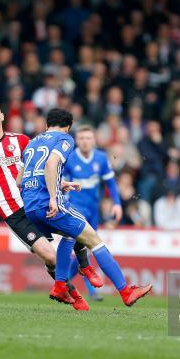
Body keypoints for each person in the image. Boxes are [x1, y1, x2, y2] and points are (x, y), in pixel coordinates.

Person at [0, 95, 92, 311]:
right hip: (13, 212)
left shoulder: (23, 141)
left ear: (2, 116)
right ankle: (71, 292)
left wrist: (60, 184)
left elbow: (40, 170)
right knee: (50, 256)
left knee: (75, 230)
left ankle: (84, 265)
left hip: (35, 202)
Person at [19, 108, 152, 307]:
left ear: (47, 125)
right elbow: (51, 165)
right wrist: (54, 198)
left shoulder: (31, 144)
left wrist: (60, 184)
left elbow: (20, 180)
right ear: (68, 128)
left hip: (30, 207)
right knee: (94, 241)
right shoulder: (65, 140)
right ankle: (125, 291)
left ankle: (61, 284)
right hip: (49, 203)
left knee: (70, 235)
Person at [63, 125, 123, 301]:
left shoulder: (101, 158)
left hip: (93, 211)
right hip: (75, 209)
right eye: (81, 138)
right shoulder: (70, 158)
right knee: (80, 248)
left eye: (88, 138)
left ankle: (64, 282)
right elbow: (60, 180)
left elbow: (111, 183)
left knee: (86, 251)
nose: (85, 141)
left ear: (94, 140)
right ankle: (76, 286)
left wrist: (117, 204)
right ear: (77, 141)